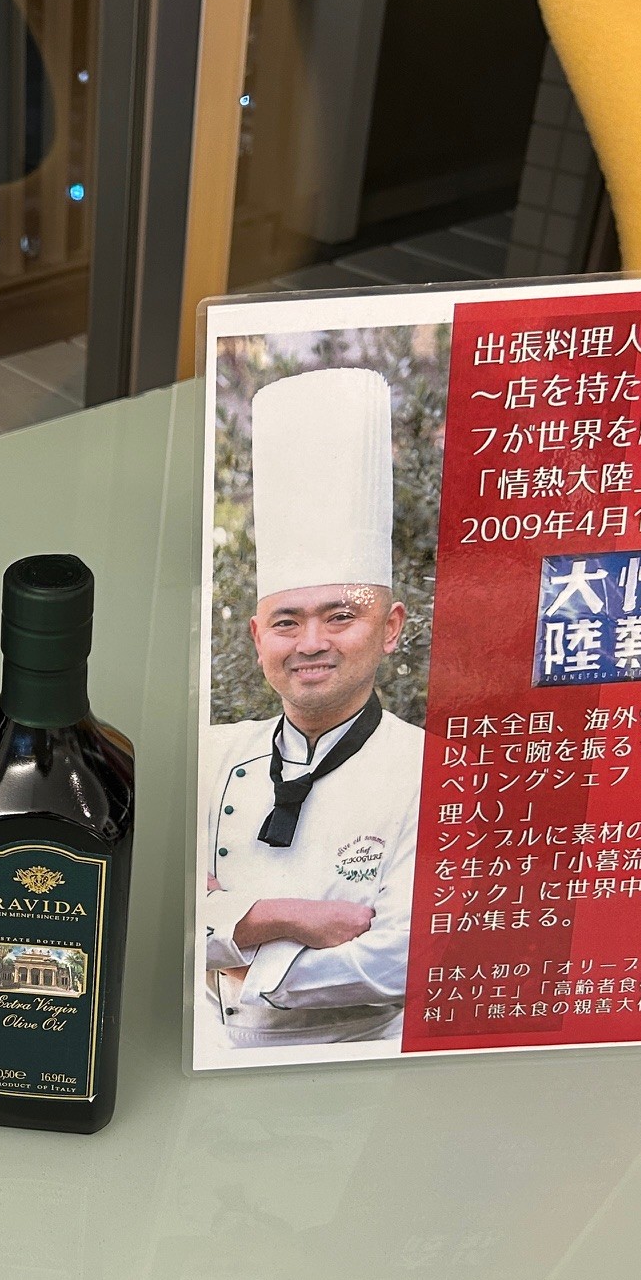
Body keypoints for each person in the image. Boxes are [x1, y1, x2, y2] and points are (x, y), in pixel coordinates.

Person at [200, 368, 424, 1050]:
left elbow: (402, 956)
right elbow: (160, 913)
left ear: (390, 628)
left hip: (354, 1065)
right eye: (287, 622)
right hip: (206, 1050)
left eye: (340, 616)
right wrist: (280, 916)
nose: (312, 643)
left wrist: (237, 959)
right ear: (257, 637)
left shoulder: (432, 769)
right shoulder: (211, 754)